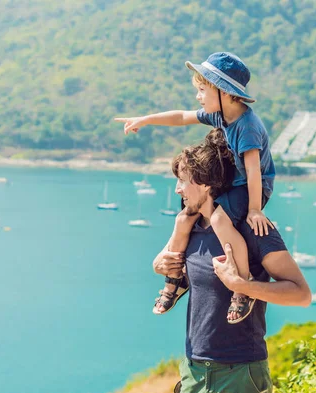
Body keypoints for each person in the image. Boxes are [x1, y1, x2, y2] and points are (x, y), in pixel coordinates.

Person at [115, 52, 276, 323]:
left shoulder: (247, 126)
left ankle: (243, 285)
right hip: (232, 182)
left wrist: (254, 210)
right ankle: (176, 279)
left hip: (252, 187)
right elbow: (181, 117)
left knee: (219, 220)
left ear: (224, 92)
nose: (198, 97)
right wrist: (145, 119)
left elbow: (253, 172)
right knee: (185, 216)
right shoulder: (220, 115)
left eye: (202, 90)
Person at [154, 130, 311, 393]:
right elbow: (167, 265)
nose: (177, 189)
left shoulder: (251, 229)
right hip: (194, 371)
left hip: (241, 374)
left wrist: (243, 286)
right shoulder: (189, 227)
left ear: (205, 184)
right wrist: (159, 264)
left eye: (182, 181)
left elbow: (301, 295)